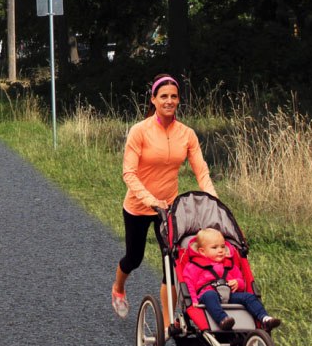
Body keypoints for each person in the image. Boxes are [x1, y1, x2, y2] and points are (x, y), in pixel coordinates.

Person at [111, 73, 217, 319]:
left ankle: (169, 324)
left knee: (171, 263)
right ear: (154, 100)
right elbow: (128, 172)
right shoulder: (140, 131)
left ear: (179, 100)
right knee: (134, 258)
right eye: (164, 96)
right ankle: (118, 288)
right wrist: (149, 198)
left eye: (174, 96)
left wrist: (212, 197)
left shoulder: (186, 134)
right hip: (138, 206)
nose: (169, 101)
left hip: (169, 207)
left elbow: (201, 170)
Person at [181, 228, 282, 331]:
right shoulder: (194, 266)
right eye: (214, 248)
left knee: (248, 297)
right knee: (210, 295)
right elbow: (189, 283)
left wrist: (238, 283)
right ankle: (223, 320)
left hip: (229, 295)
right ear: (202, 251)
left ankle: (264, 319)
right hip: (206, 295)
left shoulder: (229, 265)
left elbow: (242, 282)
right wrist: (193, 299)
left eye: (223, 246)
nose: (220, 250)